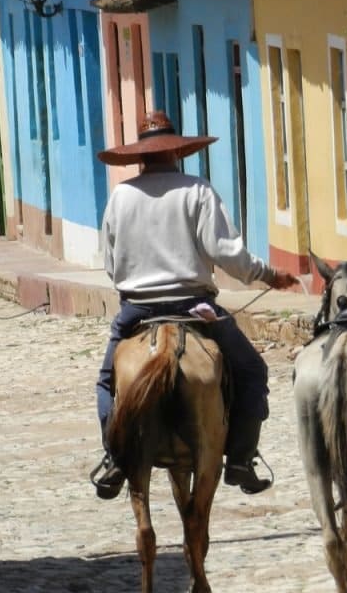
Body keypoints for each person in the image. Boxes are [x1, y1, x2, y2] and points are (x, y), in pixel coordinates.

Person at [91, 111, 296, 500]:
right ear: (176, 152)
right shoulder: (197, 191)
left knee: (106, 381)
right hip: (194, 308)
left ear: (141, 157)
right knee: (252, 371)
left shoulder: (121, 196)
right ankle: (240, 458)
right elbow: (226, 253)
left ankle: (114, 457)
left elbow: (111, 264)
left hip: (137, 311)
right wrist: (269, 275)